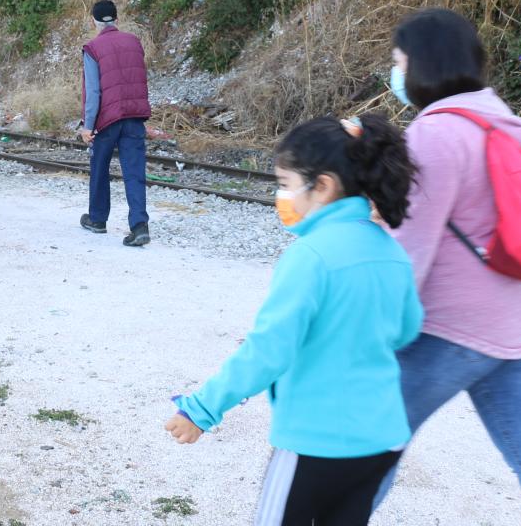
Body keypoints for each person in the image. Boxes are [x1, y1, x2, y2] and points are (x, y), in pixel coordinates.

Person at [373, 8, 521, 524]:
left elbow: (412, 247)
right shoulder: (505, 122)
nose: (395, 73)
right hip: (516, 324)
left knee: (372, 448)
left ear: (422, 63)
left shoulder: (436, 133)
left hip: (452, 331)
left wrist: (373, 325)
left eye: (399, 61)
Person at [166, 115, 422, 526]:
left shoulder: (311, 256)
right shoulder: (390, 251)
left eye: (285, 184)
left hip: (316, 442)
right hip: (381, 439)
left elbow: (268, 351)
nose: (281, 196)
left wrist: (201, 410)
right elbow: (408, 329)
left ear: (323, 186)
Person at [79, 0, 153, 246]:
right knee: (134, 172)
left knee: (99, 168)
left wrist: (87, 126)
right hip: (134, 116)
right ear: (116, 19)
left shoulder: (92, 48)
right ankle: (140, 226)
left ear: (94, 21)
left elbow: (93, 92)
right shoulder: (134, 42)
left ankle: (98, 219)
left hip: (107, 119)